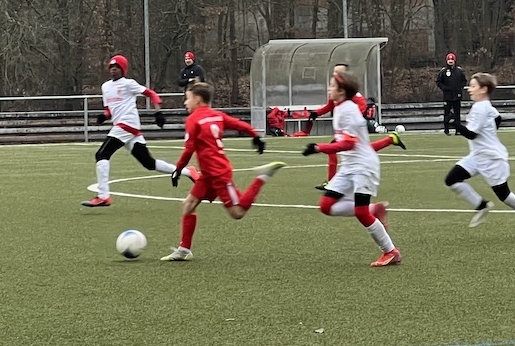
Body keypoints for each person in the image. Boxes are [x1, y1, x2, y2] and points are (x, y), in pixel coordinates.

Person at [160, 82, 286, 261]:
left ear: (197, 99)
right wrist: (255, 136)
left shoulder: (193, 120)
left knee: (237, 213)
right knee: (188, 205)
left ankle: (261, 177)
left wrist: (178, 169)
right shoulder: (217, 116)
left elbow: (189, 150)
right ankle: (184, 250)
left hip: (219, 174)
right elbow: (239, 124)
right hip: (208, 174)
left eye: (187, 99)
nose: (185, 103)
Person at [301, 69, 401, 267]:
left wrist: (319, 148)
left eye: (332, 85)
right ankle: (375, 209)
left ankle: (391, 251)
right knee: (326, 206)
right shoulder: (340, 107)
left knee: (361, 212)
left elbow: (349, 143)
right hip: (349, 166)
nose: (329, 88)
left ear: (342, 90)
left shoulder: (348, 111)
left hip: (363, 166)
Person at [444, 72, 515, 239]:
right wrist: (489, 134)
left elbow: (471, 134)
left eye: (473, 86)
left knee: (505, 196)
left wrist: (454, 122)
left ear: (484, 89)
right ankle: (481, 205)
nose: (469, 89)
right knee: (452, 179)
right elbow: (497, 118)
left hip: (491, 159)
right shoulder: (486, 106)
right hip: (477, 156)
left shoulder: (480, 108)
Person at [81, 54, 178, 207]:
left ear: (123, 69)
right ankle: (187, 171)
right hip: (125, 127)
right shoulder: (105, 87)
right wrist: (104, 116)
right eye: (111, 67)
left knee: (102, 154)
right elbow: (109, 110)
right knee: (149, 163)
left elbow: (151, 94)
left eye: (117, 67)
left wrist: (158, 112)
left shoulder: (128, 84)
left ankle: (103, 196)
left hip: (127, 124)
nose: (113, 70)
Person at [305, 62, 406, 189]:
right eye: (334, 72)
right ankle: (390, 139)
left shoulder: (351, 94)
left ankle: (331, 182)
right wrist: (317, 113)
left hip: (353, 127)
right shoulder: (337, 91)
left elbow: (362, 106)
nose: (335, 74)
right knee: (361, 149)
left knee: (339, 148)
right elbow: (330, 105)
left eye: (339, 72)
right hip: (346, 128)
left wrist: (351, 118)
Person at [436, 52, 467, 135]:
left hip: (457, 96)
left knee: (457, 114)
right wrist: (444, 88)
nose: (450, 61)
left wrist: (460, 88)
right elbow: (438, 82)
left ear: (454, 61)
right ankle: (446, 130)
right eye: (449, 60)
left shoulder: (459, 71)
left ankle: (458, 130)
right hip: (447, 96)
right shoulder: (443, 71)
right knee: (447, 113)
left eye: (452, 60)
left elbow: (464, 81)